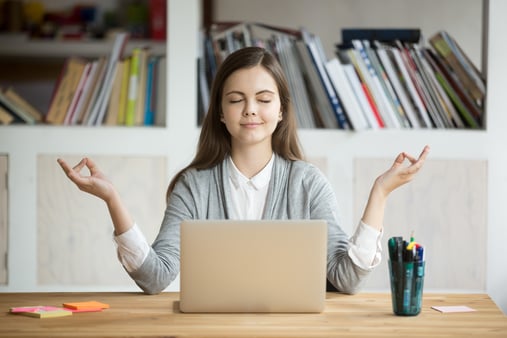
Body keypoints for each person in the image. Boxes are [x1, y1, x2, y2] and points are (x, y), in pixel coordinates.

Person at [58, 46, 429, 295]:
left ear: (281, 110)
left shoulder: (308, 183)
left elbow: (345, 279)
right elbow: (155, 278)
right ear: (221, 112)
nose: (250, 110)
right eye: (236, 100)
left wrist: (379, 193)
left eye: (264, 100)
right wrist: (112, 198)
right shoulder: (194, 186)